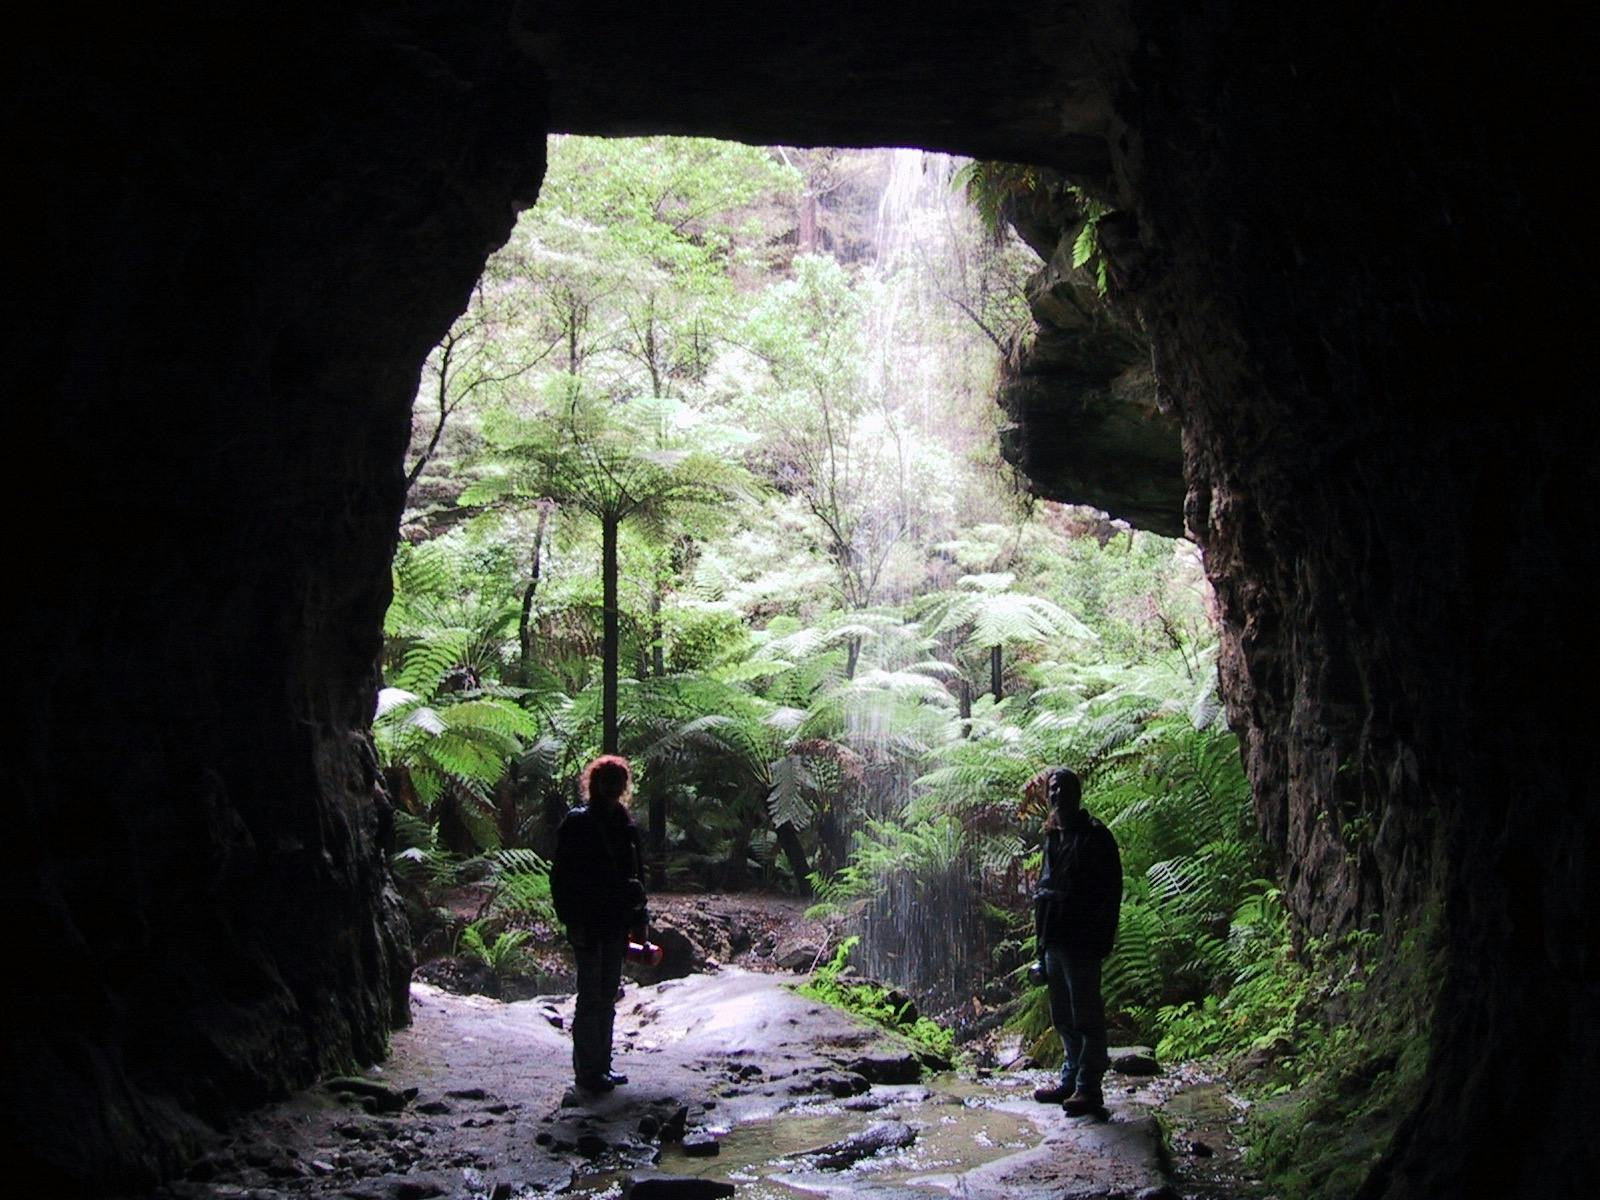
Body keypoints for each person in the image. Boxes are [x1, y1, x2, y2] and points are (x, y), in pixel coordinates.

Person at [549, 754, 648, 1094]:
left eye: (619, 781)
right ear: (595, 784)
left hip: (614, 922)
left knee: (606, 994)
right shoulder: (578, 823)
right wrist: (571, 919)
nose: (614, 787)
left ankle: (601, 1066)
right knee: (591, 995)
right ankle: (587, 1071)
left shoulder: (624, 824)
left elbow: (635, 876)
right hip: (589, 922)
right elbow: (562, 878)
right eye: (609, 781)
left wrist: (639, 920)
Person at [1029, 765, 1121, 1116]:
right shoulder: (1053, 837)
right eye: (1052, 789)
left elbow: (1110, 892)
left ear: (1077, 793)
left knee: (1086, 1015)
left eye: (1064, 788)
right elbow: (1045, 889)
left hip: (1082, 939)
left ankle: (1089, 1088)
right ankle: (1070, 1080)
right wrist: (1040, 942)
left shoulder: (1095, 836)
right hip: (1054, 937)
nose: (1057, 794)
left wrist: (1102, 936)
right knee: (1063, 1016)